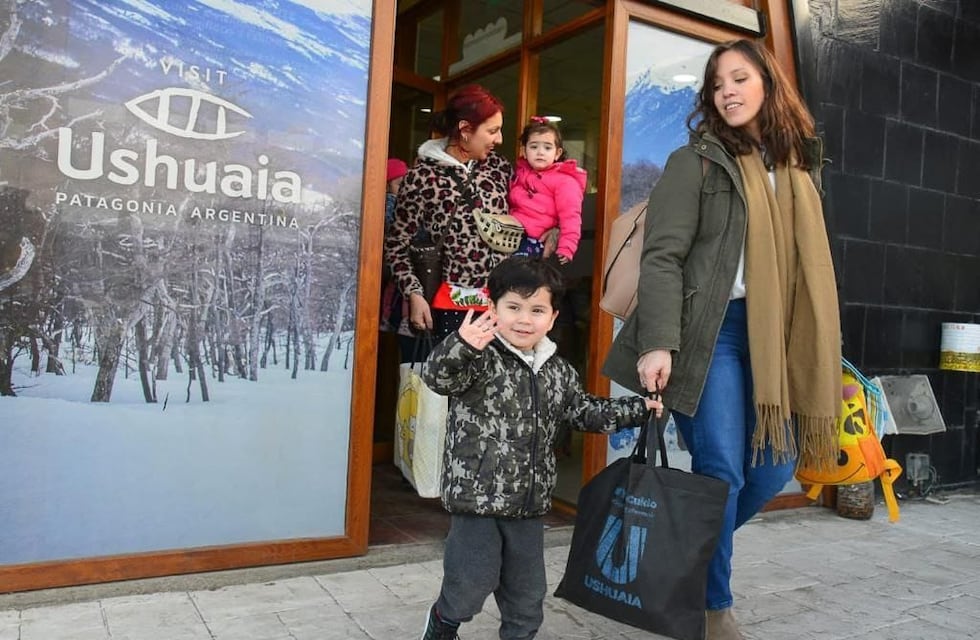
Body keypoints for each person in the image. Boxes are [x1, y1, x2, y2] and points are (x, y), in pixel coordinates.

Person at [603, 39, 841, 640]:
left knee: (775, 466)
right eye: (717, 84)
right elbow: (662, 257)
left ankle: (675, 559)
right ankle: (714, 610)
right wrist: (658, 341)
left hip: (775, 338)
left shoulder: (797, 167)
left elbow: (806, 270)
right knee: (720, 473)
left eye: (739, 78)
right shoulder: (698, 162)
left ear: (769, 84)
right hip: (710, 334)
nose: (727, 91)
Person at [418, 257, 663, 640]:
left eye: (536, 310)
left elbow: (584, 411)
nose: (524, 319)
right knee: (470, 584)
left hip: (529, 505)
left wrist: (638, 409)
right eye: (513, 307)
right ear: (493, 309)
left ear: (552, 318)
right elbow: (438, 377)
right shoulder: (479, 358)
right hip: (477, 502)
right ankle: (443, 622)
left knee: (527, 596)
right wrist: (461, 345)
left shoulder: (559, 371)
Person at [384, 84, 513, 344]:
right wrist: (413, 293)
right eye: (492, 131)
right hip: (448, 309)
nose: (499, 139)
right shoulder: (422, 177)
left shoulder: (498, 168)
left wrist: (554, 226)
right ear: (465, 129)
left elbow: (533, 204)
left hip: (500, 304)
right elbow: (396, 244)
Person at [508, 117, 586, 264]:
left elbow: (571, 216)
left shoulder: (565, 182)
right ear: (524, 151)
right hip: (511, 236)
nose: (540, 152)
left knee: (520, 275)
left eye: (547, 148)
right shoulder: (519, 174)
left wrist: (567, 246)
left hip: (536, 242)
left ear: (557, 153)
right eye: (534, 147)